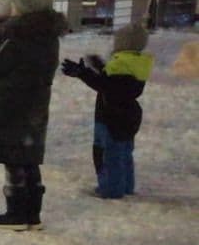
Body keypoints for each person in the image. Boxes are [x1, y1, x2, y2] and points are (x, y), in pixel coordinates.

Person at [0, 0, 68, 230]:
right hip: (35, 105)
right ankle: (32, 213)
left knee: (14, 159)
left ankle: (16, 213)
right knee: (28, 159)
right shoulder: (47, 35)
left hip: (13, 103)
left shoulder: (20, 36)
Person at [61, 23, 153, 199]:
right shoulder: (134, 62)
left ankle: (112, 189)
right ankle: (126, 184)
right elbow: (115, 82)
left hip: (111, 116)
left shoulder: (121, 64)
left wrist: (83, 74)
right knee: (124, 153)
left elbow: (108, 86)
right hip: (127, 115)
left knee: (108, 155)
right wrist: (99, 66)